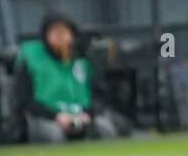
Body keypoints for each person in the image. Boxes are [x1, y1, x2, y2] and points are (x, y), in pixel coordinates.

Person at [15, 13, 117, 143]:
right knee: (54, 135)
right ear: (45, 35)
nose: (60, 36)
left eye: (64, 31)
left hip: (83, 115)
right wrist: (56, 116)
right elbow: (24, 99)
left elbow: (100, 95)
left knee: (105, 128)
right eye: (55, 31)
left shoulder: (84, 58)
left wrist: (88, 114)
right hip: (47, 118)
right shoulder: (32, 58)